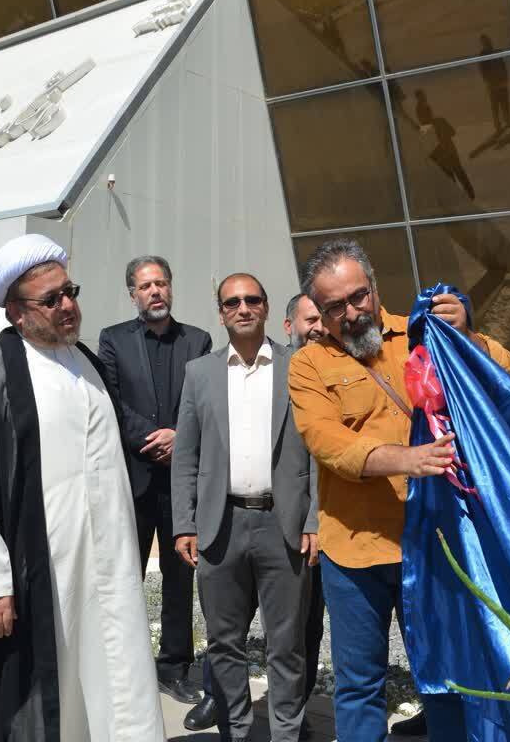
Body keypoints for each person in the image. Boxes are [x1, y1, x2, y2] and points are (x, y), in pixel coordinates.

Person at [287, 238, 510, 742]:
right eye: (334, 307)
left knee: (446, 677)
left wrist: (468, 336)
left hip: (434, 545)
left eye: (358, 297)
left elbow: (506, 378)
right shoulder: (308, 365)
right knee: (358, 685)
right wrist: (407, 460)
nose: (351, 313)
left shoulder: (423, 331)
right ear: (318, 312)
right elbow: (326, 442)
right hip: (355, 550)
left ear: (374, 287)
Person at [0, 234, 165, 740]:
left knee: (118, 675)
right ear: (16, 313)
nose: (67, 305)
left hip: (111, 564)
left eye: (70, 292)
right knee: (51, 692)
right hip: (42, 572)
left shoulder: (85, 360)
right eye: (51, 299)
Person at [172, 275, 319, 742]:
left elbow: (318, 450)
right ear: (221, 313)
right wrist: (184, 523)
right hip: (220, 526)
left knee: (287, 644)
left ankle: (285, 734)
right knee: (223, 643)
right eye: (232, 302)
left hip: (284, 523)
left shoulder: (299, 366)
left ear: (266, 307)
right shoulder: (200, 373)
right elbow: (186, 456)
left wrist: (314, 518)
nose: (243, 308)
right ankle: (235, 731)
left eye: (252, 300)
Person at [96, 256, 214, 714]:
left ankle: (173, 667)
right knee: (124, 574)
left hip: (182, 479)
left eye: (161, 283)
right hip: (135, 475)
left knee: (180, 575)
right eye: (146, 286)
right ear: (133, 294)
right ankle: (123, 666)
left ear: (171, 287)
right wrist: (151, 438)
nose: (155, 292)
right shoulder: (113, 340)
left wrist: (179, 437)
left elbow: (203, 400)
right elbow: (111, 401)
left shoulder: (197, 340)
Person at [284, 293, 326, 727]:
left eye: (322, 318)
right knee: (245, 618)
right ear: (289, 326)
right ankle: (221, 697)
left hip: (328, 521)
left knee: (310, 621)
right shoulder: (273, 374)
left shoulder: (339, 366)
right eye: (309, 319)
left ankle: (296, 710)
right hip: (274, 521)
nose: (318, 327)